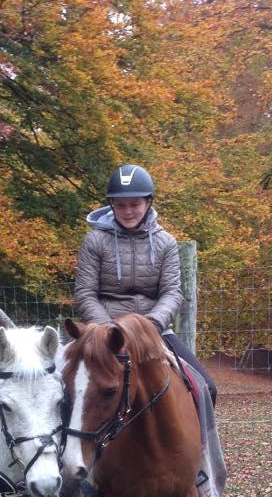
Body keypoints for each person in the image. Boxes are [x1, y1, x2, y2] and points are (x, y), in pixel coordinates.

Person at [73, 163, 217, 405]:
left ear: (148, 202)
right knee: (61, 389)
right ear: (112, 205)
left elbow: (172, 292)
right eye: (120, 205)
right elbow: (85, 293)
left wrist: (150, 326)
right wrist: (108, 329)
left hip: (154, 328)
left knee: (206, 388)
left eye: (135, 204)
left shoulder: (166, 243)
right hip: (105, 329)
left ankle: (201, 444)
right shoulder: (94, 240)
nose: (128, 211)